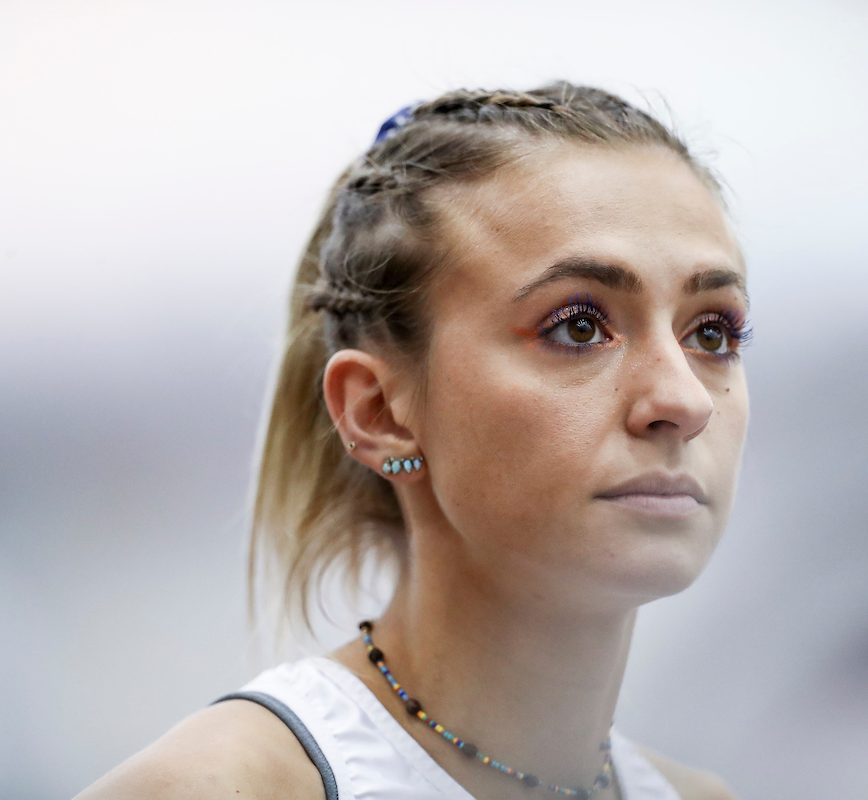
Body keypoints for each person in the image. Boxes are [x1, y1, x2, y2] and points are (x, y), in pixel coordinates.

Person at [77, 82, 749, 800]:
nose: (682, 400)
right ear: (378, 413)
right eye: (578, 326)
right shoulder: (220, 788)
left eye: (712, 333)